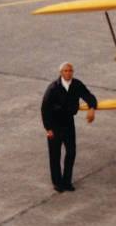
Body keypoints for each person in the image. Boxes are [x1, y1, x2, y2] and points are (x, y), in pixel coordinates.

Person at [41, 61, 97, 192]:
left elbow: (88, 96)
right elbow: (45, 109)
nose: (68, 73)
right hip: (55, 124)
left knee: (71, 152)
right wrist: (48, 128)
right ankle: (57, 183)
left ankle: (67, 181)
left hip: (68, 123)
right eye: (65, 71)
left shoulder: (76, 85)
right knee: (55, 155)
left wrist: (92, 107)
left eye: (70, 70)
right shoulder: (53, 88)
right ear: (61, 73)